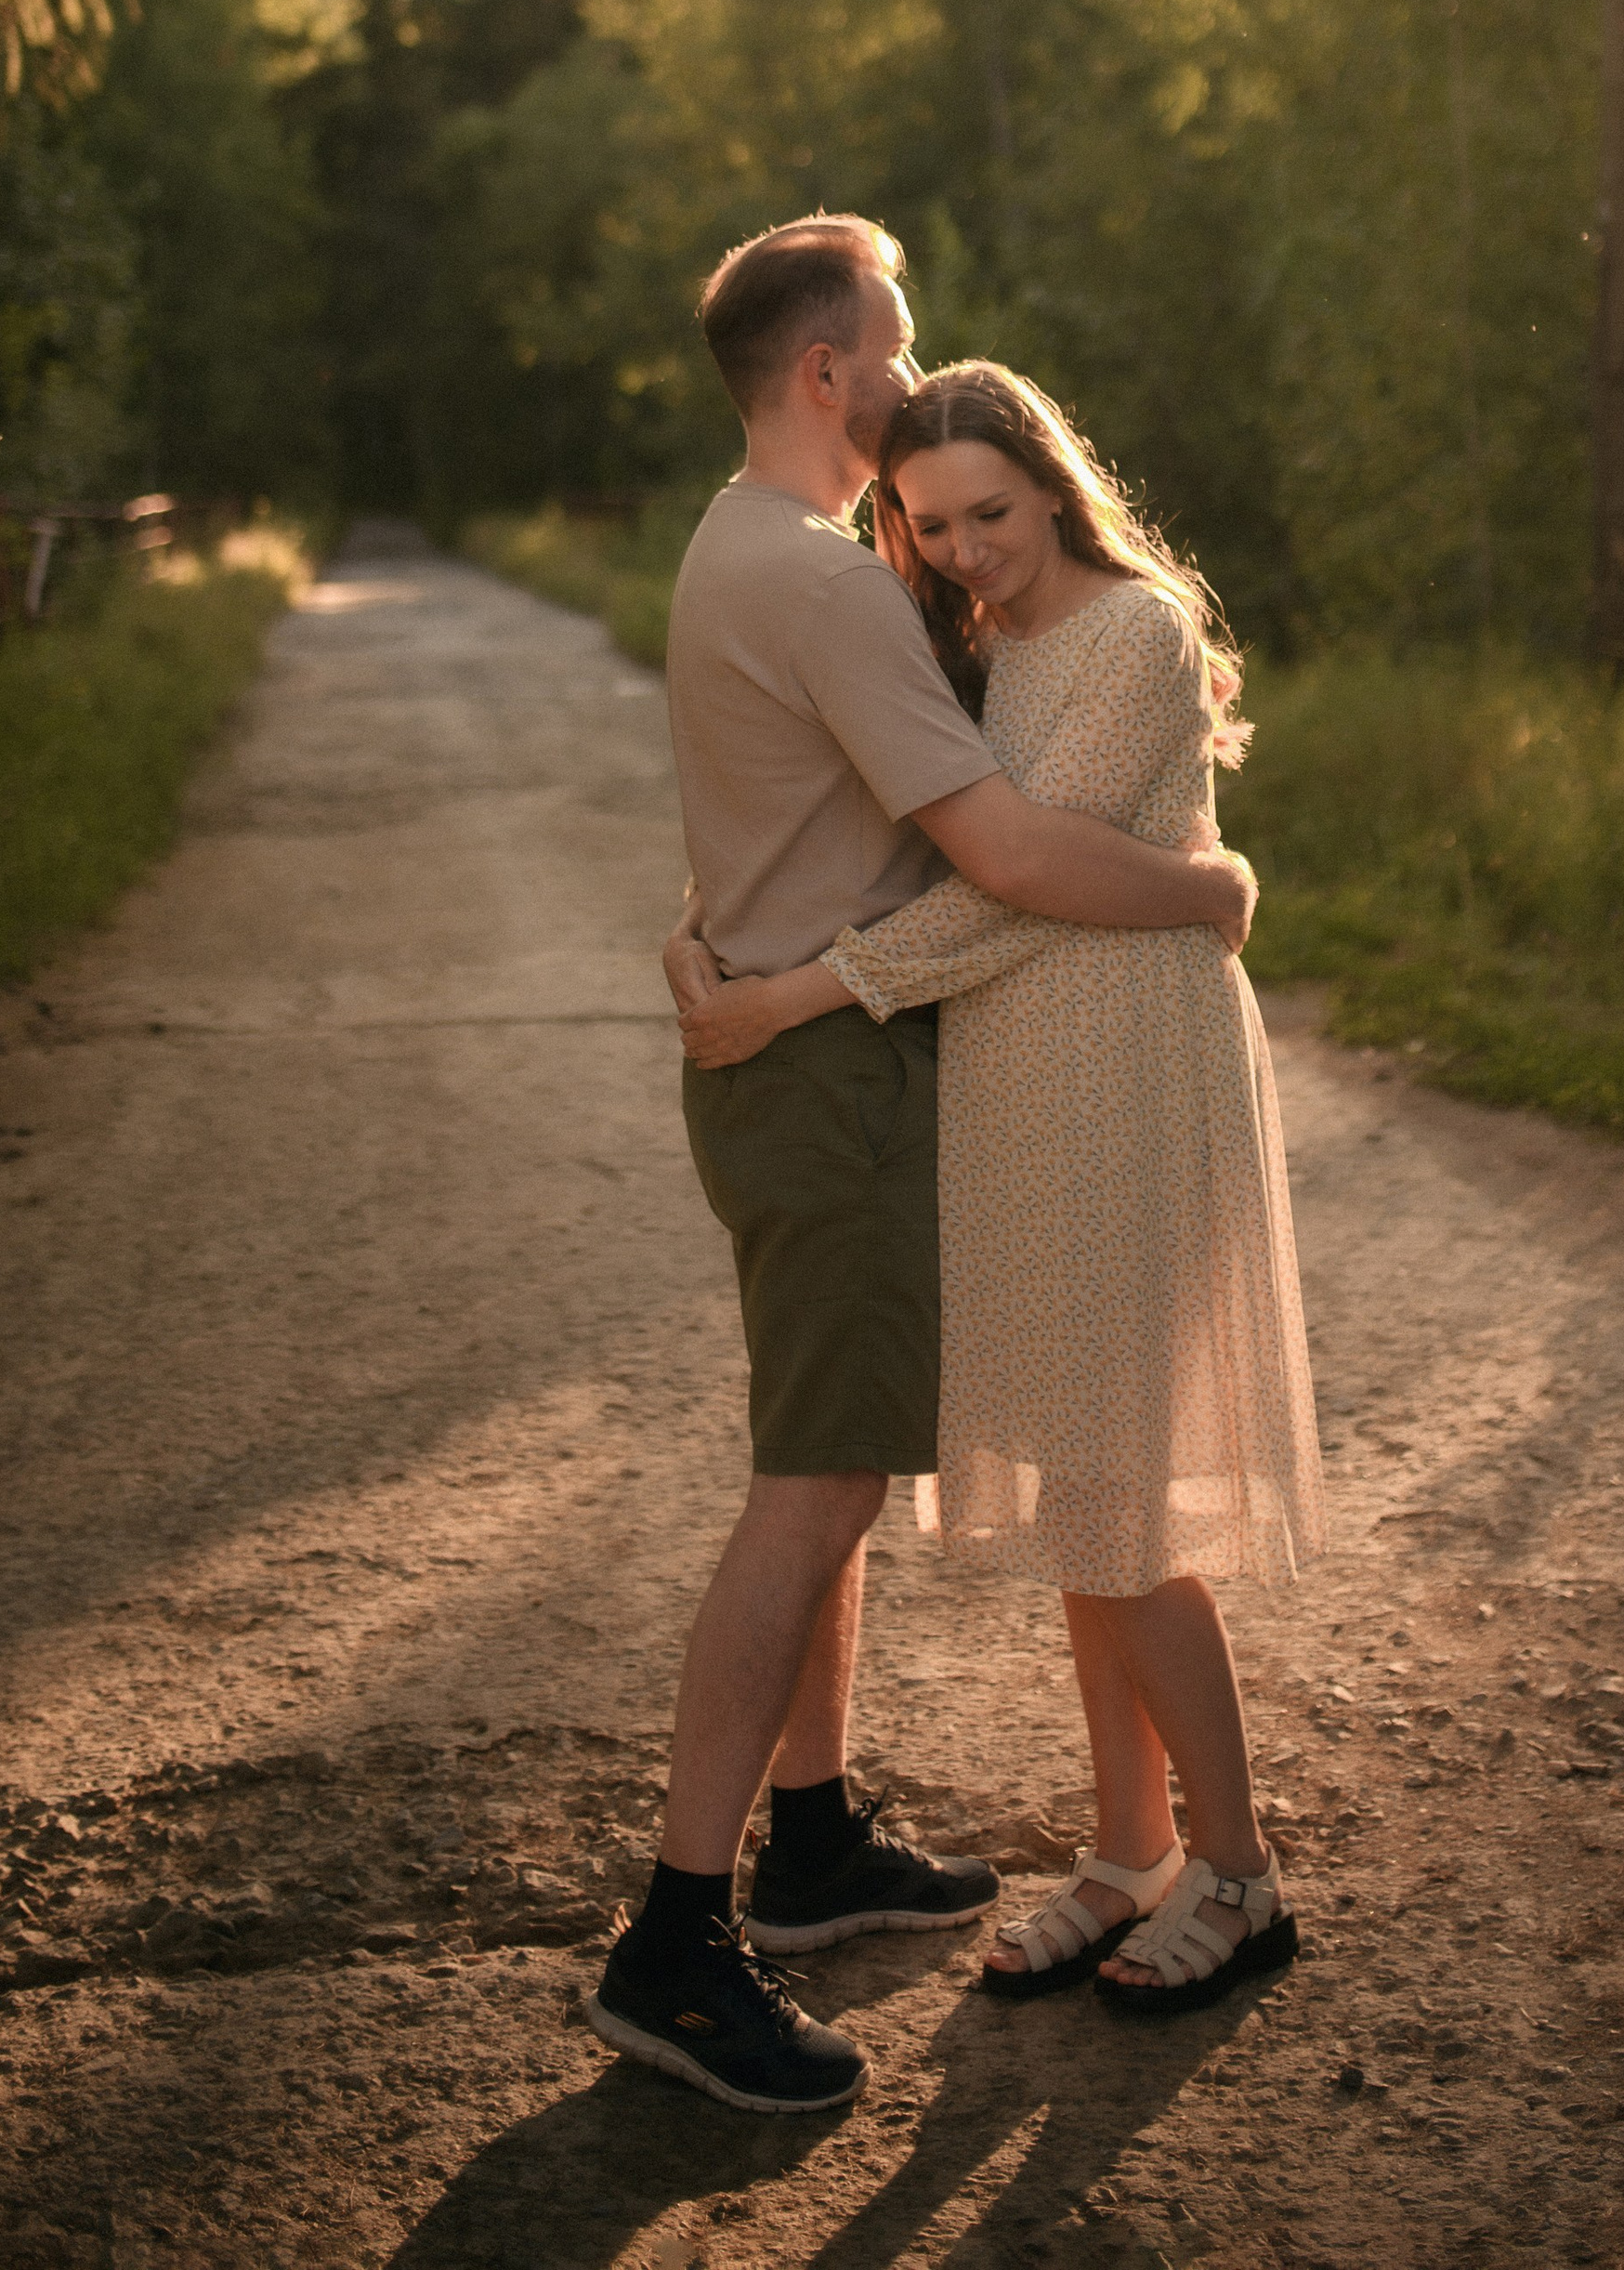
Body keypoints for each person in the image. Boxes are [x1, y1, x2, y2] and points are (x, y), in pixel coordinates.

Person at [583, 220, 1257, 2118]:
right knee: (814, 1492)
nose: (910, 366)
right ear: (828, 370)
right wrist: (1210, 890)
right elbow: (1012, 862)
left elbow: (793, 805)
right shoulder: (828, 578)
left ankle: (814, 1843)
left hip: (858, 1054)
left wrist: (717, 935)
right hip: (831, 1074)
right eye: (890, 341)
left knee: (878, 1473)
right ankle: (676, 1939)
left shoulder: (755, 550)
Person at [674, 360, 1322, 2021]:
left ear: (1053, 486)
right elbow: (868, 818)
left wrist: (796, 992)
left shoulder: (1135, 632)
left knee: (1124, 1504)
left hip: (1128, 1067)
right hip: (1016, 1087)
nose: (965, 548)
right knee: (1078, 1495)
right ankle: (1129, 1849)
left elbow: (1017, 891)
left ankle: (1239, 1871)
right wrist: (711, 915)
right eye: (931, 522)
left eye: (992, 513)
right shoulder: (977, 638)